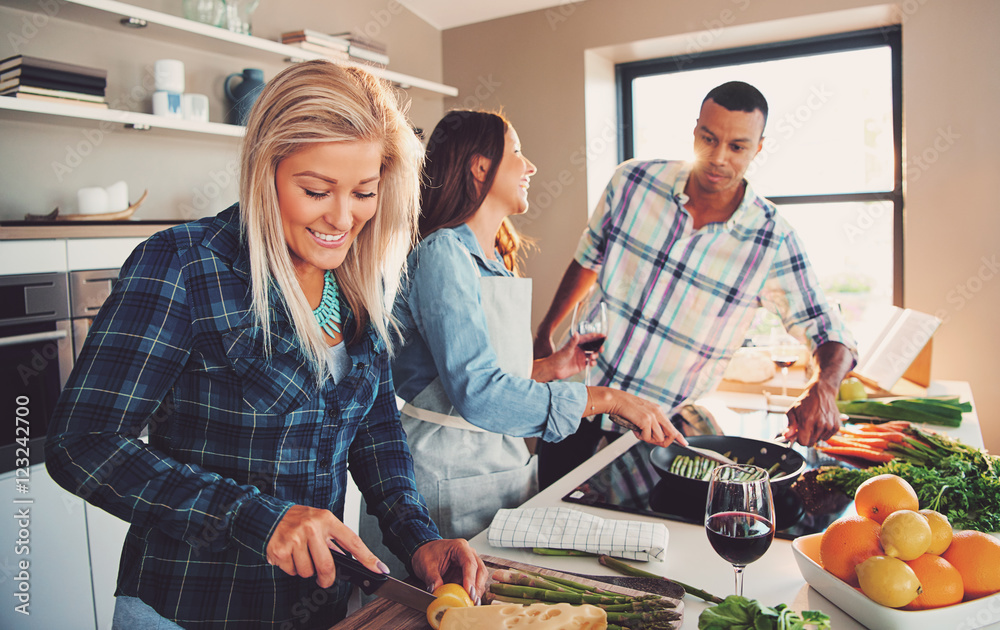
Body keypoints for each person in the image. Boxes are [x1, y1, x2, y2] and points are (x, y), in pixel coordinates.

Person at [45, 60, 486, 630]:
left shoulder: (357, 280)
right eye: (315, 190)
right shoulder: (184, 265)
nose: (343, 218)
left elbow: (375, 434)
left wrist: (419, 538)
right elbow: (82, 442)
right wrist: (254, 517)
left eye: (364, 192)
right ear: (265, 171)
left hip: (315, 609)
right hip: (187, 608)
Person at [381, 109, 686, 544]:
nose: (531, 166)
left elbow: (484, 376)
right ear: (481, 167)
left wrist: (551, 368)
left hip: (496, 467)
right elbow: (478, 392)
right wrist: (608, 400)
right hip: (449, 473)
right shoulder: (442, 254)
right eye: (518, 152)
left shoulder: (490, 261)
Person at [533, 81, 858, 488]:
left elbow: (828, 330)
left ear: (758, 149)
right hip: (579, 399)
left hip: (658, 430)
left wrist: (824, 386)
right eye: (709, 138)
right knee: (543, 525)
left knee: (633, 542)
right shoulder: (632, 182)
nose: (718, 157)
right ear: (695, 131)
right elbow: (588, 259)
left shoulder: (772, 240)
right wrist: (546, 330)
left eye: (737, 147)